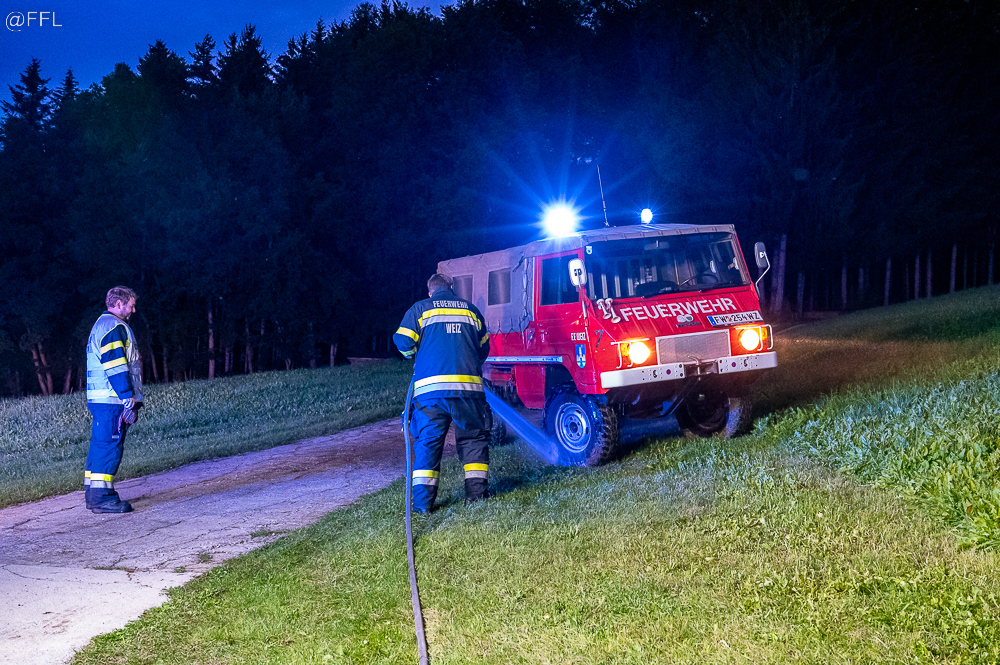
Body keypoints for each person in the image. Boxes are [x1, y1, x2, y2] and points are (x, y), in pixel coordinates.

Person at [393, 273, 491, 513]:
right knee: (473, 441)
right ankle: (476, 498)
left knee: (428, 445)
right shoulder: (471, 311)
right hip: (469, 392)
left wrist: (415, 354)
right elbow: (483, 349)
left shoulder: (420, 309)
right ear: (452, 287)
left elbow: (403, 342)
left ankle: (422, 506)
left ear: (430, 292)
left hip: (430, 395)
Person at [84, 286, 144, 514]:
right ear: (119, 304)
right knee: (109, 447)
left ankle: (93, 494)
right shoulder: (114, 327)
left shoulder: (102, 325)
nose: (134, 310)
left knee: (100, 445)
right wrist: (128, 397)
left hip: (102, 398)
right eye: (131, 305)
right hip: (113, 399)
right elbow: (116, 366)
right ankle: (102, 499)